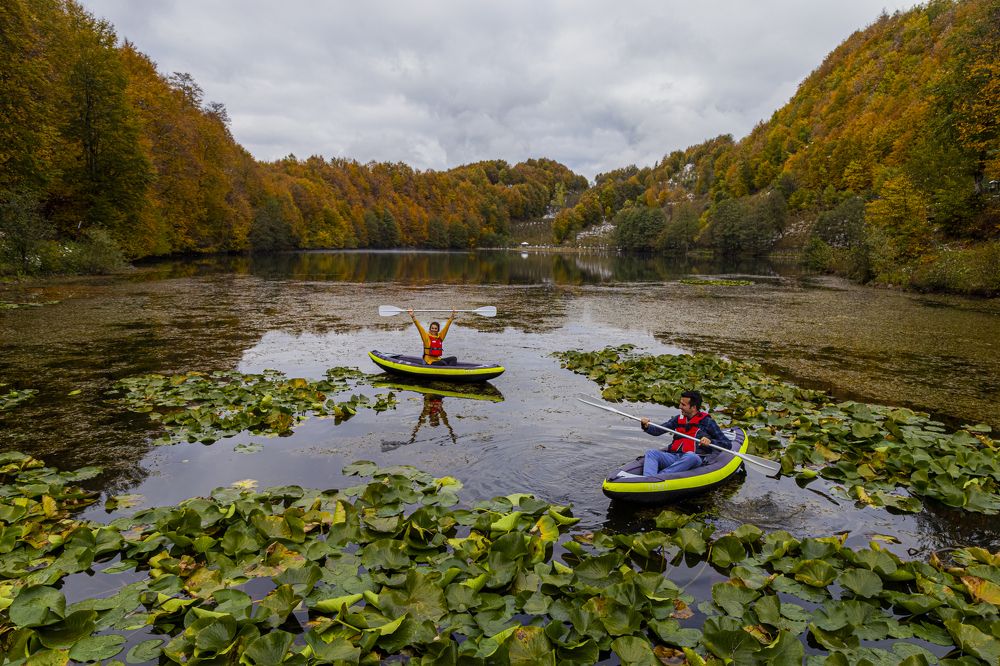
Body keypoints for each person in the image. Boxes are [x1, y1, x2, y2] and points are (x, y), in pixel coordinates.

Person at [638, 390, 730, 476]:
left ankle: (660, 477)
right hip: (674, 456)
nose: (679, 407)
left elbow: (727, 444)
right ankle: (648, 479)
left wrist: (711, 442)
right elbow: (657, 431)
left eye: (683, 404)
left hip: (694, 459)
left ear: (693, 407)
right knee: (651, 453)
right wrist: (646, 425)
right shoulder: (678, 419)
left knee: (691, 456)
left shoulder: (708, 422)